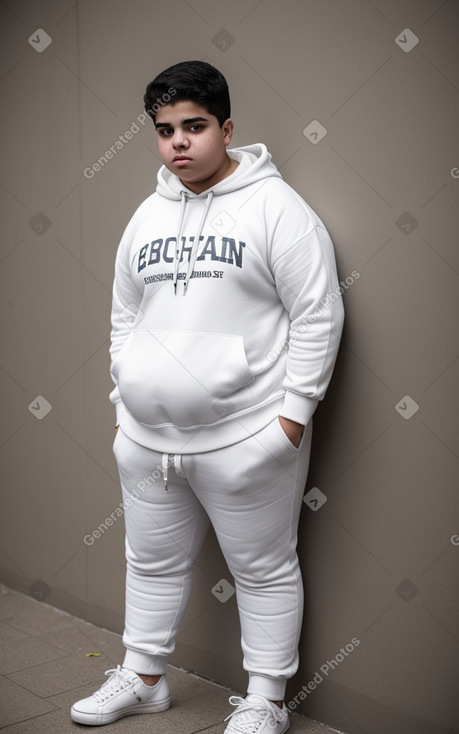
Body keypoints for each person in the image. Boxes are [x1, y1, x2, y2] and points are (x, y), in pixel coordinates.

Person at [71, 60, 344, 733]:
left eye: (193, 126)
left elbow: (318, 315)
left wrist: (291, 419)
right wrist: (123, 403)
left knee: (263, 569)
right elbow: (123, 317)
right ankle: (142, 677)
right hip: (146, 440)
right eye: (164, 131)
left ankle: (265, 700)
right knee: (149, 563)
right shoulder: (146, 215)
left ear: (226, 127)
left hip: (247, 436)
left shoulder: (278, 209)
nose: (179, 144)